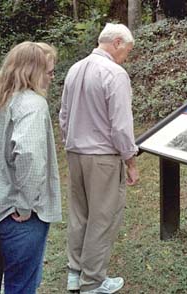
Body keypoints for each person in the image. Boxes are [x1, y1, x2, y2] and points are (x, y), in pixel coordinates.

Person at [59, 23, 139, 294]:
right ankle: (92, 282)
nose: (126, 56)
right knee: (102, 218)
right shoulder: (115, 74)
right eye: (127, 50)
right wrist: (130, 160)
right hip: (103, 157)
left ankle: (75, 272)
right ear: (117, 42)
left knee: (79, 213)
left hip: (75, 153)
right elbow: (120, 125)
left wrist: (69, 143)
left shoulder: (75, 69)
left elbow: (64, 116)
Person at [0, 41, 62, 293]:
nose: (52, 77)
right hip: (18, 216)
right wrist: (26, 204)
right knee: (21, 285)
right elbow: (28, 154)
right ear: (32, 71)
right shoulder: (32, 105)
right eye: (49, 72)